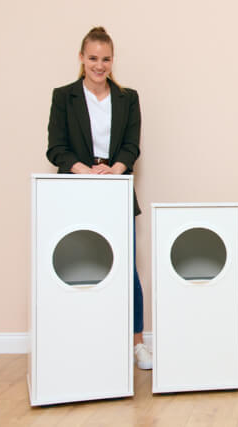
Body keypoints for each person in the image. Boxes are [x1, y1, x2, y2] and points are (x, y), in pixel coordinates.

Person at [46, 27, 152, 370]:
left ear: (112, 60)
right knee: (75, 264)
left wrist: (116, 170)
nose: (99, 65)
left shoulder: (128, 97)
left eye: (105, 59)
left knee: (126, 266)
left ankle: (137, 343)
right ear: (81, 58)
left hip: (116, 185)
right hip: (76, 186)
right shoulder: (64, 96)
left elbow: (132, 146)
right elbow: (56, 148)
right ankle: (78, 340)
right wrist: (83, 170)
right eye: (93, 58)